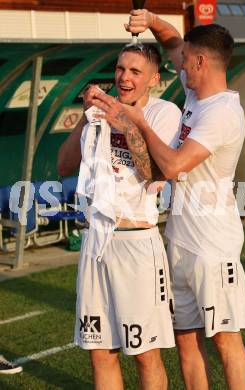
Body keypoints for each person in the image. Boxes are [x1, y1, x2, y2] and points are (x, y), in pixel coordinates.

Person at [93, 10, 245, 390]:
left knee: (226, 341)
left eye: (185, 59)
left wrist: (142, 123)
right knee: (185, 339)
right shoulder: (197, 87)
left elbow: (174, 166)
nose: (177, 62)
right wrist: (150, 19)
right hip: (180, 239)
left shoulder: (223, 113)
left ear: (201, 62)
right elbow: (170, 41)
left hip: (212, 244)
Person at [57, 43, 181, 390]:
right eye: (120, 69)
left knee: (144, 354)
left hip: (136, 244)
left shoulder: (163, 112)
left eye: (135, 71)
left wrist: (125, 124)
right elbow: (64, 165)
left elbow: (155, 173)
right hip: (96, 242)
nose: (124, 77)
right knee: (100, 351)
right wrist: (86, 116)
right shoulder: (98, 113)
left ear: (154, 79)